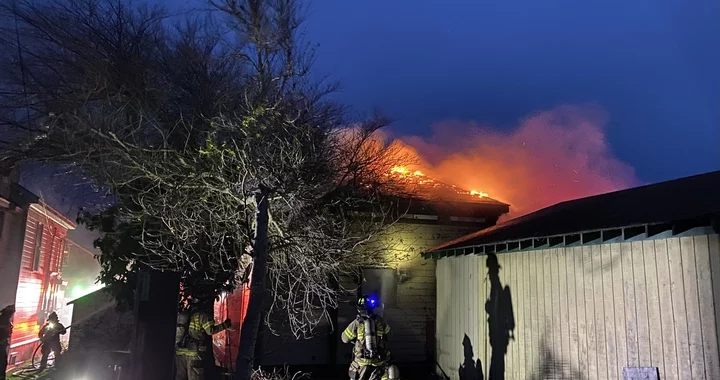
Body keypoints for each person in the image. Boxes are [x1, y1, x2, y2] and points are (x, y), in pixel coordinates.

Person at [175, 297, 231, 380]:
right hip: (194, 353)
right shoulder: (202, 315)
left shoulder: (184, 314)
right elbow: (210, 331)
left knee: (180, 377)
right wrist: (225, 325)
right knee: (195, 376)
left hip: (180, 352)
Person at [341, 295, 391, 380]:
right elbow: (389, 335)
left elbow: (344, 339)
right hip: (378, 364)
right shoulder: (380, 321)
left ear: (359, 308)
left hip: (361, 364)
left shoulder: (356, 323)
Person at [0, 305, 16, 380]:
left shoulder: (5, 320)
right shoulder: (3, 320)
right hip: (1, 344)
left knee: (3, 362)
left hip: (2, 344)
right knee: (2, 362)